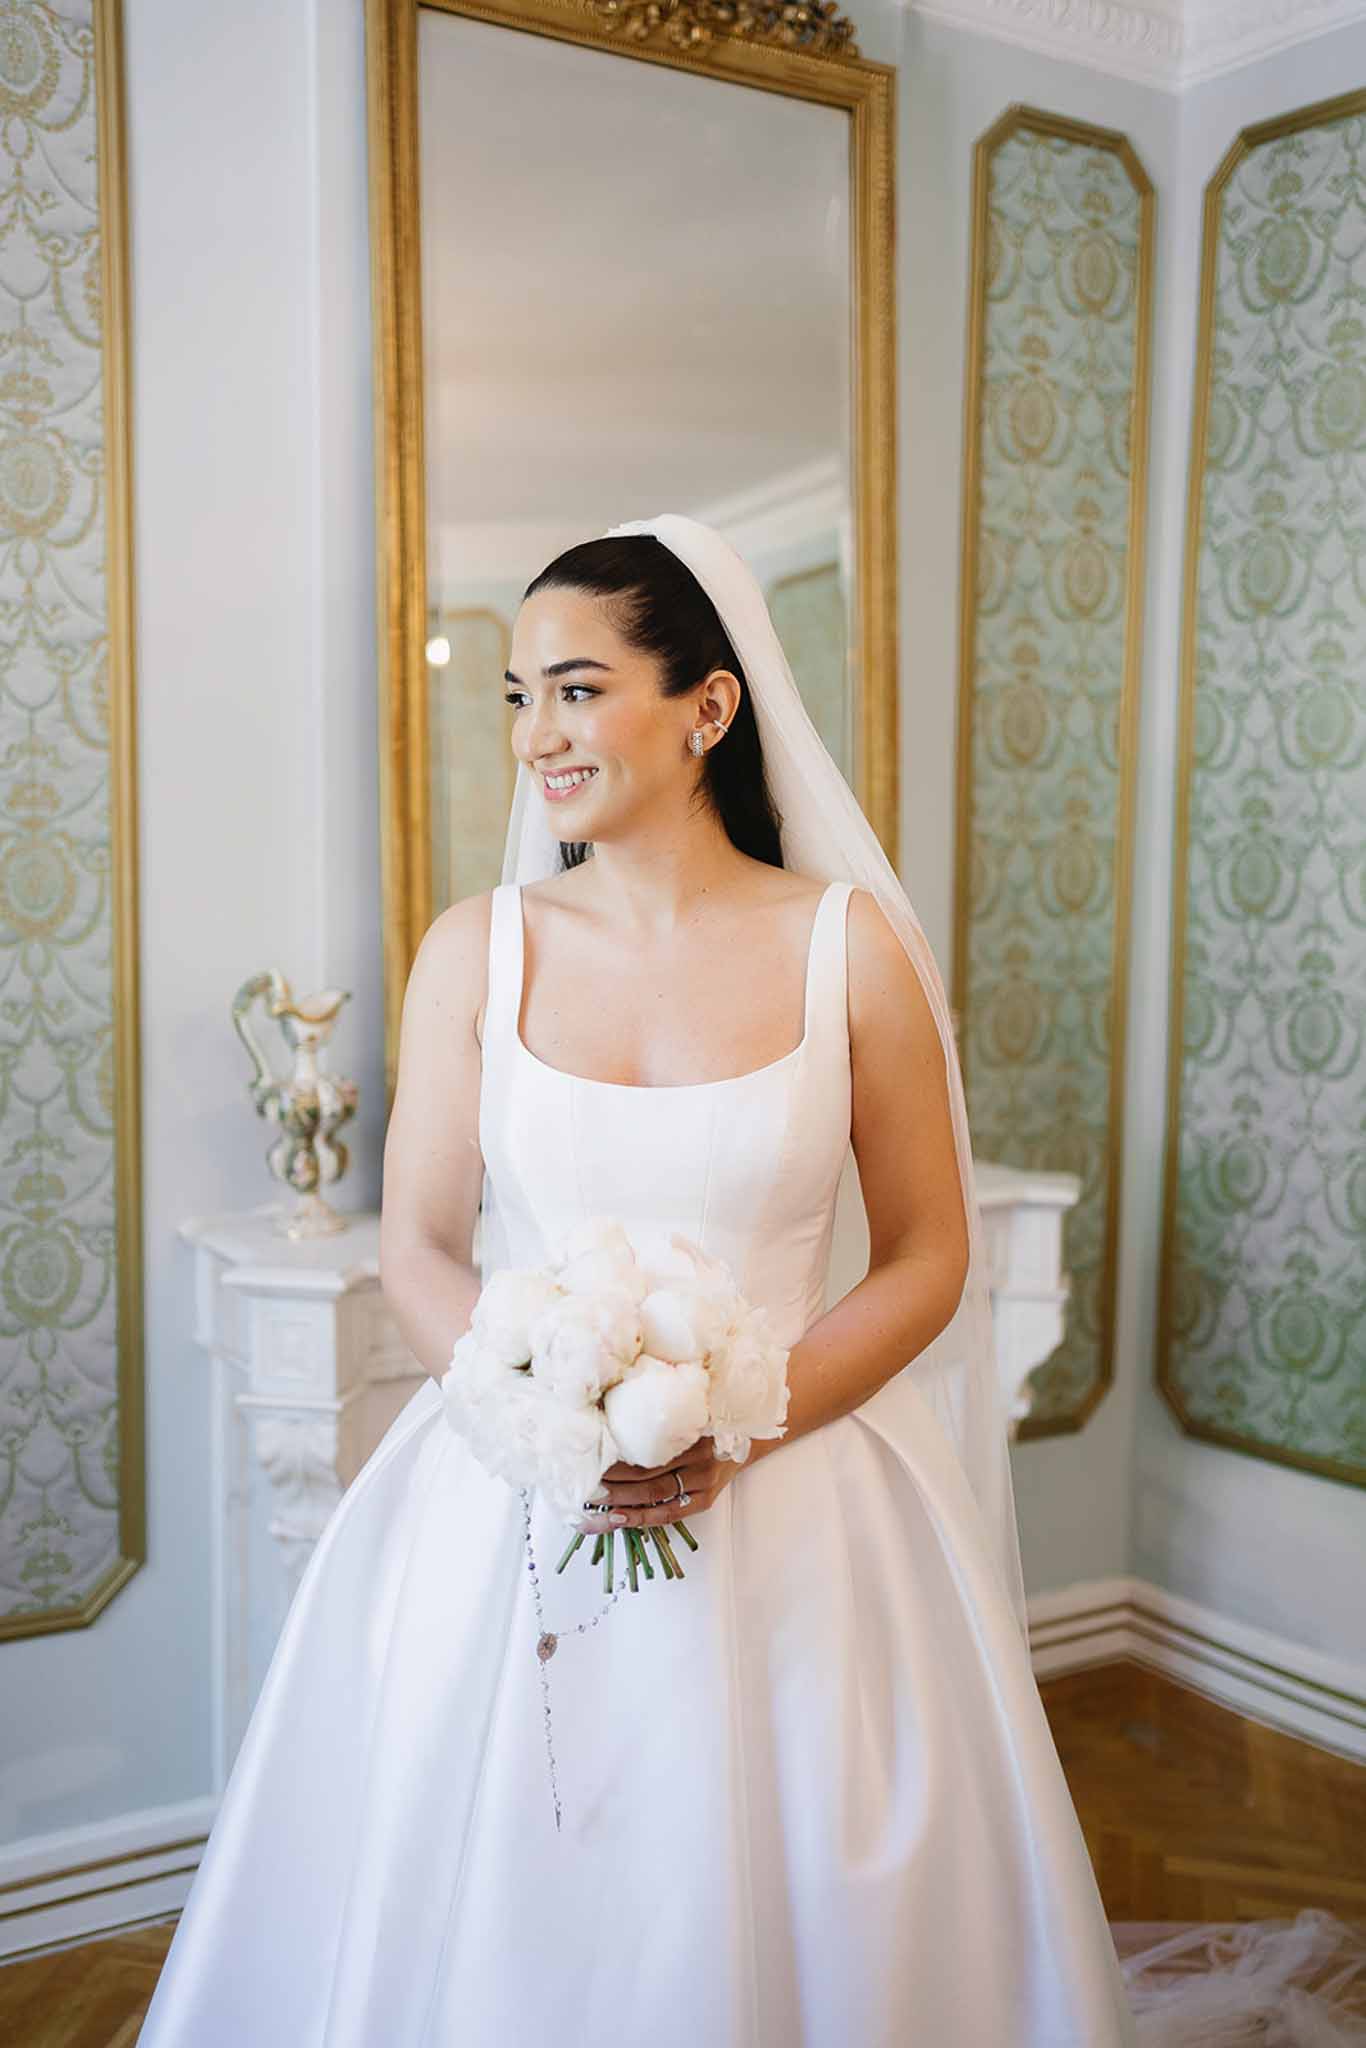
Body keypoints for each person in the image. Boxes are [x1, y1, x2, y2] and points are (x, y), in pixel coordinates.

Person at [140, 514, 1146, 2044]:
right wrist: (534, 1412)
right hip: (512, 1491)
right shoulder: (475, 948)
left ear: (707, 709)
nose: (536, 734)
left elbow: (932, 1253)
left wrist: (734, 1422)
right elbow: (415, 1242)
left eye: (577, 687)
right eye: (516, 695)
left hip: (801, 1497)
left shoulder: (845, 946)